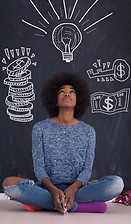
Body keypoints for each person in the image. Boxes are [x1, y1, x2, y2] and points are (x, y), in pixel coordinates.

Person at [2, 72, 124, 214]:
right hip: (47, 187)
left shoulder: (88, 131)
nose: (67, 94)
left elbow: (86, 169)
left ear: (77, 100)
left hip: (78, 188)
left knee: (116, 184)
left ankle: (45, 203)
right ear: (55, 100)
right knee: (8, 183)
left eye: (71, 92)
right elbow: (39, 168)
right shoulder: (40, 128)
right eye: (62, 92)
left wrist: (73, 188)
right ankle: (77, 206)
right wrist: (53, 190)